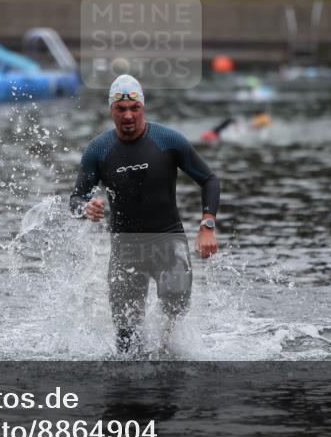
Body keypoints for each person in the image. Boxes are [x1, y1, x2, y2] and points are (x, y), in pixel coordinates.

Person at [70, 75, 221, 355]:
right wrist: (86, 208)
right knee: (126, 338)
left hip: (168, 242)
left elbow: (209, 180)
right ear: (111, 110)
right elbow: (76, 199)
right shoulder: (98, 150)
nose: (128, 115)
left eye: (134, 108)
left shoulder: (168, 140)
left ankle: (166, 355)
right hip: (125, 248)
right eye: (121, 109)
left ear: (143, 107)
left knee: (175, 308)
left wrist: (207, 224)